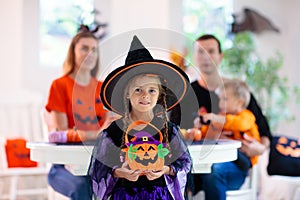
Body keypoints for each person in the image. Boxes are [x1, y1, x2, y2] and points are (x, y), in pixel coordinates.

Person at [170, 34, 272, 199]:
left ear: (220, 56)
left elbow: (264, 132)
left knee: (214, 171)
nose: (205, 57)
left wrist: (259, 149)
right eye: (200, 52)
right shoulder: (186, 94)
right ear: (194, 57)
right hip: (195, 163)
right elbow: (172, 132)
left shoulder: (238, 92)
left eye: (211, 51)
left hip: (232, 165)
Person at [89, 35, 192, 200]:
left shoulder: (169, 130)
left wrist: (167, 170)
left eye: (152, 90)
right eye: (138, 89)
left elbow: (185, 164)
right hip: (126, 196)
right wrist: (118, 172)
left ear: (159, 95)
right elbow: (99, 170)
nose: (145, 96)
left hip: (160, 196)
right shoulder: (113, 132)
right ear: (127, 93)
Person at [45, 30, 117, 200]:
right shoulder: (59, 86)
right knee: (83, 188)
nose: (90, 54)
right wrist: (96, 134)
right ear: (73, 52)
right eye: (84, 48)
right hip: (64, 166)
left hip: (97, 162)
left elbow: (110, 128)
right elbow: (61, 133)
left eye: (94, 50)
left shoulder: (102, 88)